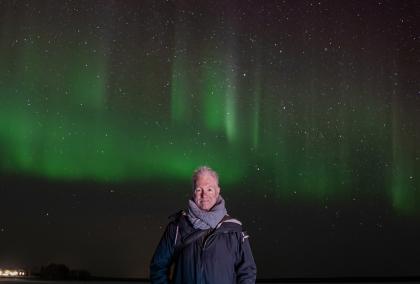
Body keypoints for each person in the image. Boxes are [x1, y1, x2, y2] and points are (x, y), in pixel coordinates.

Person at [150, 166, 257, 284]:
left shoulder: (234, 230)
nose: (204, 195)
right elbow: (158, 268)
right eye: (199, 189)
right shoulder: (176, 228)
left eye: (209, 189)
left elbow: (247, 271)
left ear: (218, 191)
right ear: (193, 192)